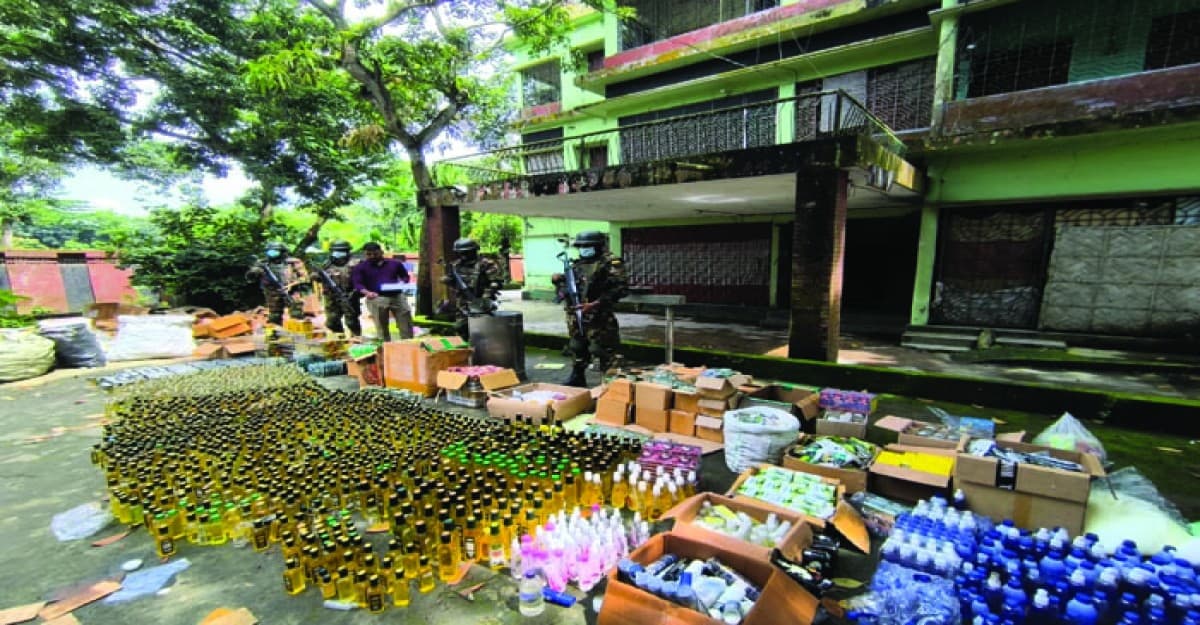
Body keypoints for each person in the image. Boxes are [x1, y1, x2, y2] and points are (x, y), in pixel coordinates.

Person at [552, 231, 628, 386]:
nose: (583, 249)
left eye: (588, 246)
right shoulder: (577, 264)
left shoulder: (610, 263)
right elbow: (568, 288)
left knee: (601, 349)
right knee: (577, 346)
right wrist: (558, 281)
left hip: (599, 316)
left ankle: (611, 385)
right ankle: (577, 376)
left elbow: (620, 288)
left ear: (599, 246)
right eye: (581, 246)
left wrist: (595, 304)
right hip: (577, 316)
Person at [442, 237, 504, 340]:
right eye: (461, 253)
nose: (463, 256)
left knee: (483, 330)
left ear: (473, 251)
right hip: (463, 303)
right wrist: (448, 280)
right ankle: (466, 350)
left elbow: (496, 282)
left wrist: (485, 297)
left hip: (482, 302)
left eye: (466, 253)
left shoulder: (486, 264)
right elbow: (451, 280)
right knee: (461, 328)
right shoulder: (456, 265)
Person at [351, 242, 413, 342]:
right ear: (365, 254)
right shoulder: (360, 267)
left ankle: (408, 344)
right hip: (376, 297)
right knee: (381, 326)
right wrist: (367, 293)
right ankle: (385, 347)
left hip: (397, 296)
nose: (372, 256)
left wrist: (402, 282)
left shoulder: (395, 263)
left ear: (381, 252)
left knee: (405, 321)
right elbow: (358, 284)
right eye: (369, 254)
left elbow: (405, 276)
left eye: (375, 254)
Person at [246, 241, 308, 326]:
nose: (272, 253)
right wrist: (254, 271)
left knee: (296, 313)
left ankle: (298, 334)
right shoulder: (263, 264)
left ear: (282, 252)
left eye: (275, 251)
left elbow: (305, 278)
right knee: (274, 316)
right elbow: (250, 278)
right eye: (270, 251)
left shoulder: (293, 262)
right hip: (272, 293)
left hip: (291, 292)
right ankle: (276, 334)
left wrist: (291, 285)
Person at [313, 240, 362, 337]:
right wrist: (317, 275)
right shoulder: (327, 264)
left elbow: (364, 280)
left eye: (342, 251)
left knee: (351, 322)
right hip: (332, 299)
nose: (338, 254)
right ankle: (340, 339)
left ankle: (356, 341)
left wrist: (356, 292)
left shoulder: (356, 263)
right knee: (332, 322)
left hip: (349, 297)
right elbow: (315, 276)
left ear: (348, 252)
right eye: (336, 252)